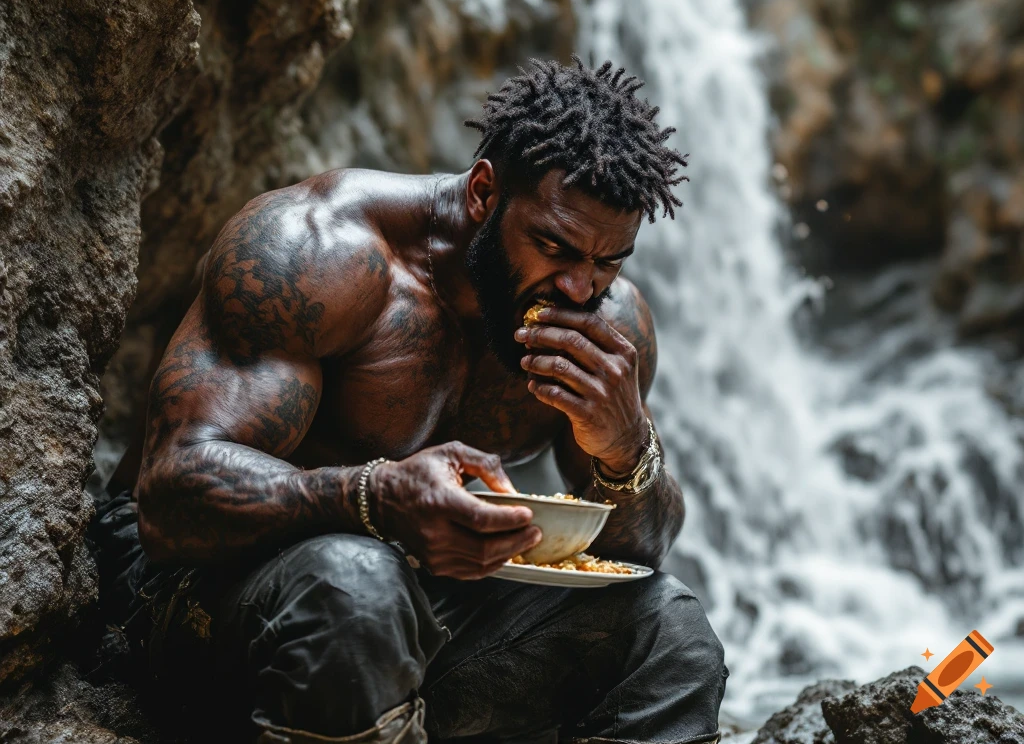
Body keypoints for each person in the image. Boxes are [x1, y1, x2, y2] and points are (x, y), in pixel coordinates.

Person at [92, 56, 728, 744]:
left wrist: (627, 448)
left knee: (673, 633)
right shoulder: (314, 252)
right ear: (484, 191)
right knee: (355, 584)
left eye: (608, 261)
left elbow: (642, 551)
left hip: (411, 607)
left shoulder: (613, 327)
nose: (578, 288)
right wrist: (376, 498)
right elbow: (168, 496)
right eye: (553, 245)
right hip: (197, 585)